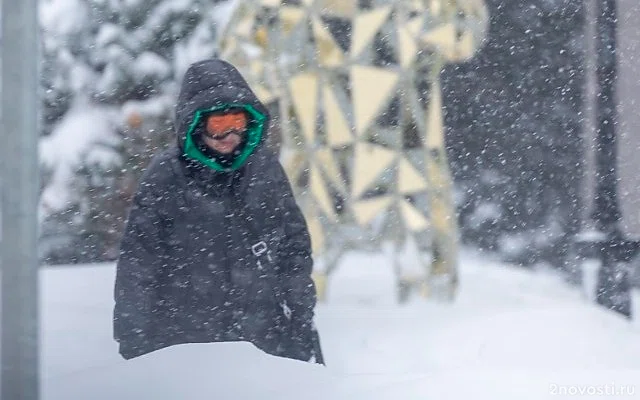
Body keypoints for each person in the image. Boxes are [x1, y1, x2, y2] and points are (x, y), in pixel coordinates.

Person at [113, 59, 324, 365]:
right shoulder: (166, 177)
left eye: (237, 122)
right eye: (219, 125)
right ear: (196, 125)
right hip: (185, 348)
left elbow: (293, 248)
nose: (229, 135)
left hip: (265, 343)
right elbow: (138, 265)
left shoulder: (264, 170)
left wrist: (301, 316)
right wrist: (134, 343)